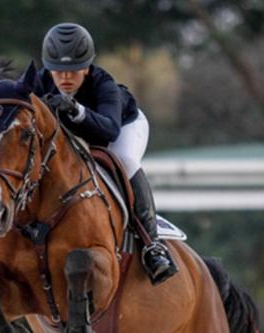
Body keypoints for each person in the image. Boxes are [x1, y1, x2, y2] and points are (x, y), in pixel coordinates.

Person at [37, 23, 177, 284]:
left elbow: (110, 132)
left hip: (122, 128)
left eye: (74, 71)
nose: (65, 78)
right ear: (48, 68)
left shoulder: (105, 85)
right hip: (75, 139)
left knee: (124, 161)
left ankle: (152, 246)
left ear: (87, 68)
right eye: (58, 71)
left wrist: (75, 109)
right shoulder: (39, 81)